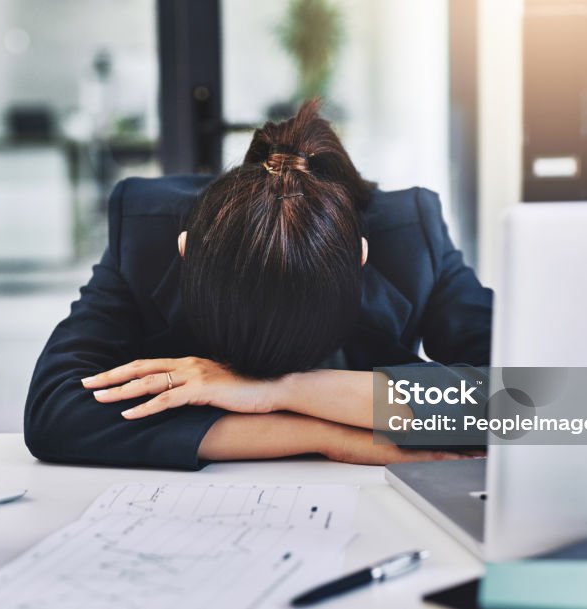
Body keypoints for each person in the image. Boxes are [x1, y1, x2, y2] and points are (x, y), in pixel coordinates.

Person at [25, 101, 492, 470]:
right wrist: (326, 437)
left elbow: (532, 402)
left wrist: (285, 391)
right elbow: (55, 410)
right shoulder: (146, 231)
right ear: (186, 251)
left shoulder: (410, 235)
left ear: (360, 260)